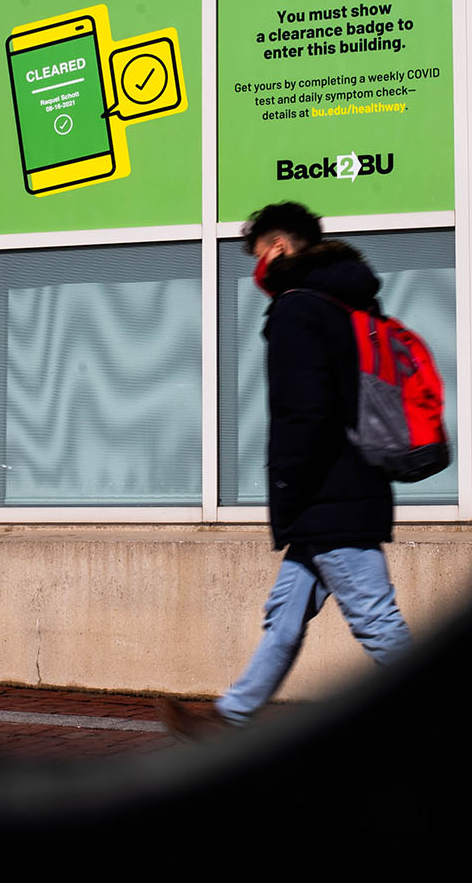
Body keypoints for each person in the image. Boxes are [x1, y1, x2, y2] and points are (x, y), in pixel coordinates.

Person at [160, 201, 412, 735]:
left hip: (328, 496)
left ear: (277, 248)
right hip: (348, 486)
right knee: (286, 615)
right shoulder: (351, 304)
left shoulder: (299, 307)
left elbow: (304, 411)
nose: (257, 269)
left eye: (258, 255)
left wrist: (288, 484)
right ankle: (230, 717)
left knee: (375, 620)